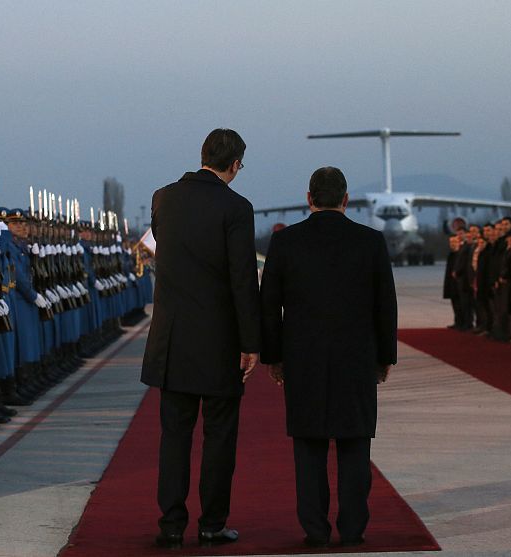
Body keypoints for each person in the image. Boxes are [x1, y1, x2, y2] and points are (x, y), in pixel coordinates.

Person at [260, 166, 397, 548]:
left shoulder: (286, 243)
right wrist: (385, 355)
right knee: (355, 445)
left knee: (309, 448)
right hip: (356, 358)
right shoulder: (370, 241)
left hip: (303, 358)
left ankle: (315, 530)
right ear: (346, 199)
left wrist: (274, 356)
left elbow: (269, 305)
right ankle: (353, 529)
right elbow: (385, 304)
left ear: (309, 199)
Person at [140, 129, 261, 549]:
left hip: (172, 338)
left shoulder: (163, 198)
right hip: (219, 340)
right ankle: (211, 523)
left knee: (174, 437)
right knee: (219, 437)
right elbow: (243, 279)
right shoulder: (237, 207)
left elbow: (162, 248)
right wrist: (251, 342)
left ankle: (171, 524)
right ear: (235, 164)